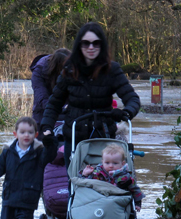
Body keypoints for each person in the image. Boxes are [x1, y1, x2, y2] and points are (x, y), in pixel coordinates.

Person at [40, 22, 141, 169]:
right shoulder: (69, 70)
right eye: (86, 43)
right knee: (75, 183)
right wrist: (47, 129)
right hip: (74, 137)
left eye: (96, 43)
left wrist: (126, 112)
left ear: (102, 45)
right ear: (79, 46)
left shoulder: (112, 70)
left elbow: (132, 98)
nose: (91, 47)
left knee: (106, 182)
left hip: (103, 137)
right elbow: (54, 103)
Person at [0, 117, 58, 219]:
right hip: (10, 195)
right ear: (16, 134)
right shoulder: (8, 151)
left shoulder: (39, 152)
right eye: (23, 132)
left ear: (36, 135)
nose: (26, 135)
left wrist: (50, 141)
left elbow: (50, 155)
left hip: (28, 198)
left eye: (30, 132)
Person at [80, 143, 144, 211]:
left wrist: (137, 203)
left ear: (122, 164)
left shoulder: (125, 176)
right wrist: (85, 175)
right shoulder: (97, 173)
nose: (111, 166)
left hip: (118, 202)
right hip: (99, 200)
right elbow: (87, 185)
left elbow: (135, 190)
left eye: (115, 163)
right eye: (107, 163)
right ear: (102, 162)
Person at [30, 48, 71, 126]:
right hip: (42, 114)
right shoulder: (39, 71)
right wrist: (55, 110)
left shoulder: (73, 69)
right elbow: (41, 97)